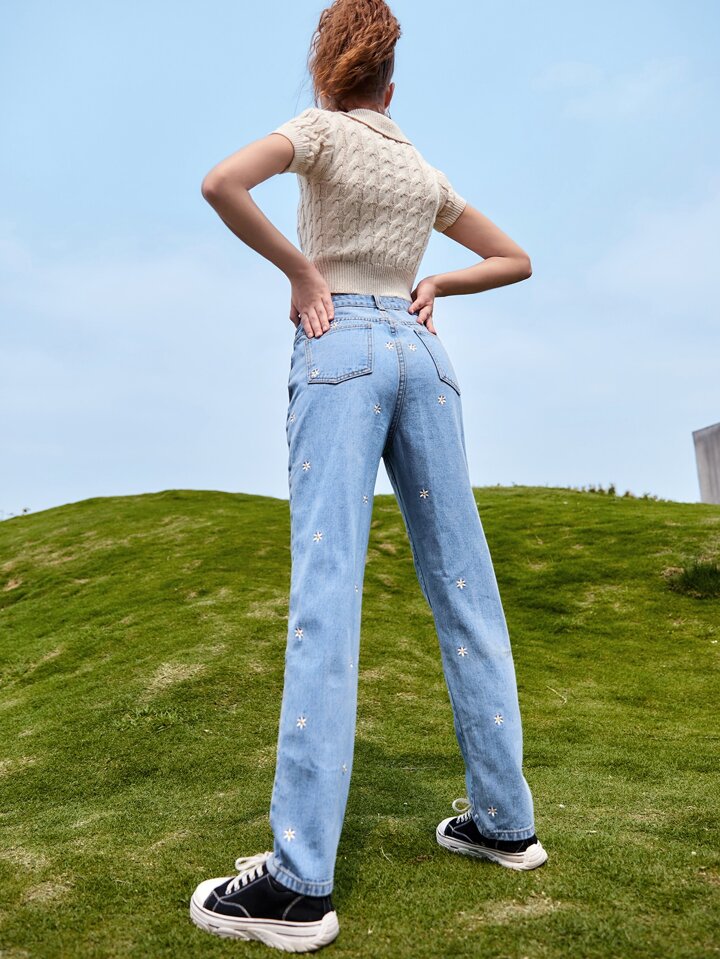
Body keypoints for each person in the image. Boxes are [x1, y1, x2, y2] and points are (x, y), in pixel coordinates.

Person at [189, 0, 548, 951]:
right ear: (390, 86)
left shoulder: (316, 131)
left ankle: (297, 884)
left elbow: (222, 183)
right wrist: (439, 283)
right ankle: (505, 825)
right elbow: (513, 258)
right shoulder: (419, 167)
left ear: (328, 73)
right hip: (424, 358)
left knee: (327, 593)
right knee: (466, 588)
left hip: (340, 345)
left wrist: (302, 273)